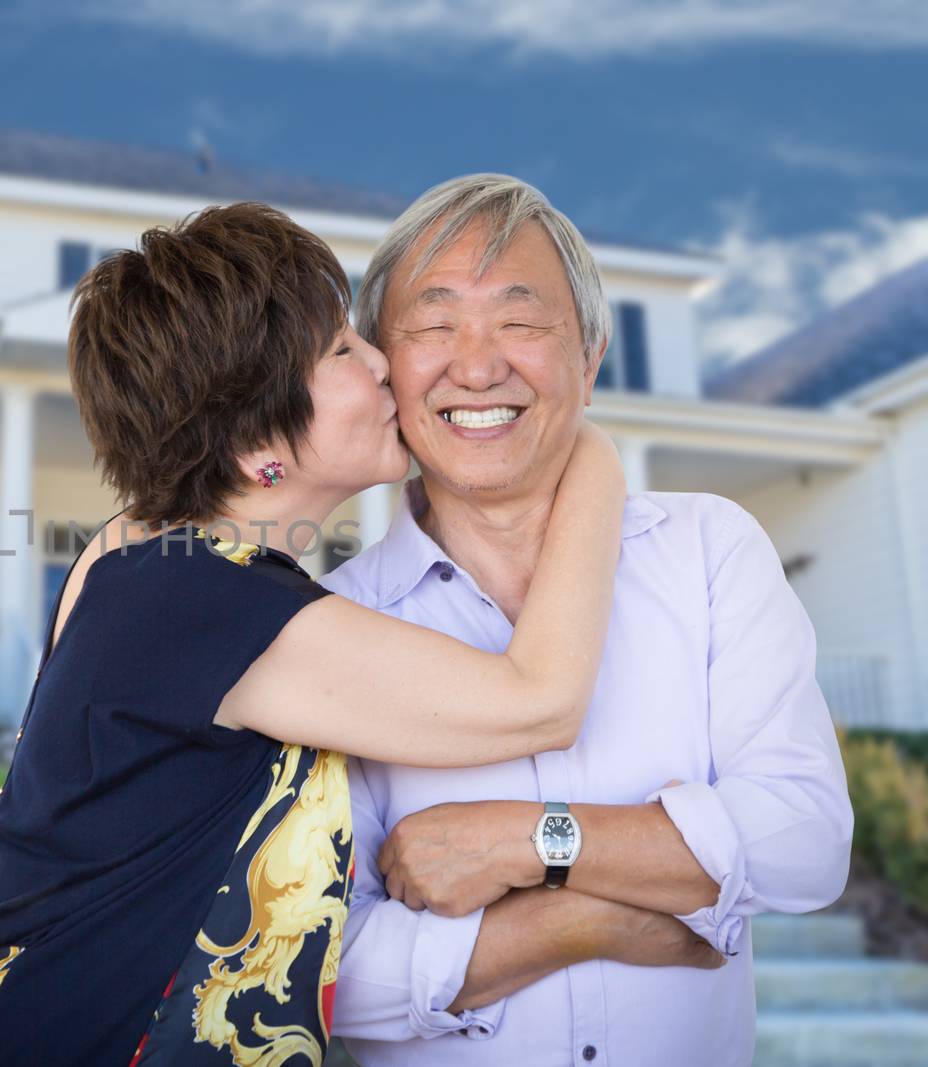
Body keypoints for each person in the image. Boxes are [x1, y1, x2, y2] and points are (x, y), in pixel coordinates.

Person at [0, 201, 633, 1067]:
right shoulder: (201, 600)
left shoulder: (138, 557)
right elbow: (540, 700)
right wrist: (588, 449)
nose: (383, 363)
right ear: (258, 432)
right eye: (342, 349)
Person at [321, 174, 853, 1067]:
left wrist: (529, 841)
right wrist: (578, 918)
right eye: (432, 324)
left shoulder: (709, 551)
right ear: (382, 368)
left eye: (520, 322)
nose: (479, 364)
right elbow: (324, 971)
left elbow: (803, 839)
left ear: (591, 356)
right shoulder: (334, 625)